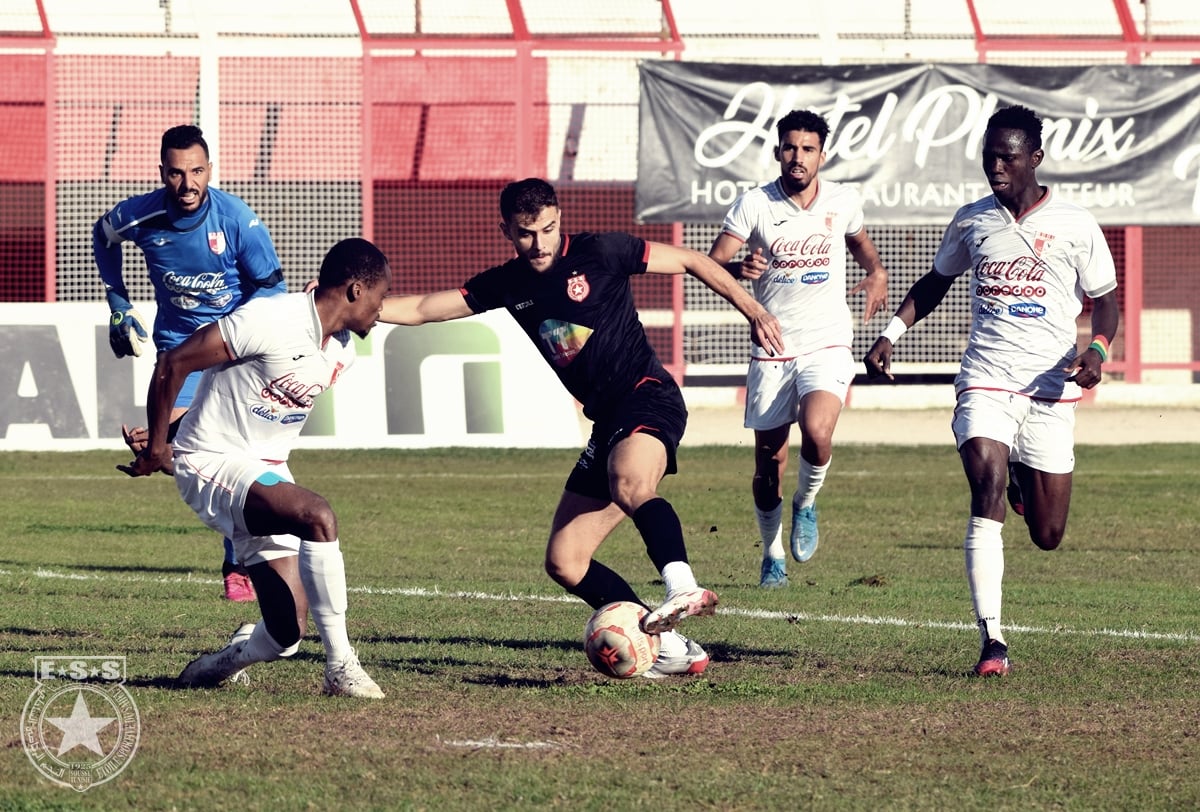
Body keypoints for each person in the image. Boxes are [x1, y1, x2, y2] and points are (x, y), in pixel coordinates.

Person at [380, 178, 783, 678]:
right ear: (506, 230)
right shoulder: (507, 283)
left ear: (560, 219)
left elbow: (690, 260)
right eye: (526, 233)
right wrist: (354, 306)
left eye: (548, 229)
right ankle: (669, 646)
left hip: (646, 395)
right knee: (566, 561)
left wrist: (754, 310)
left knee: (630, 483)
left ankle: (682, 585)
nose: (540, 243)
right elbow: (423, 309)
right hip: (607, 421)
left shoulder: (601, 251)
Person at [863, 105, 1120, 677]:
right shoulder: (972, 220)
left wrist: (1098, 350)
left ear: (1035, 158)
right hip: (985, 376)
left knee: (1048, 535)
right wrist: (890, 334)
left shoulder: (1075, 224)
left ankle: (1025, 485)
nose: (996, 166)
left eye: (1007, 156)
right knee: (988, 483)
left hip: (1050, 386)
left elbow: (1105, 300)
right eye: (989, 156)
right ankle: (993, 640)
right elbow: (936, 282)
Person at [118, 237, 391, 698]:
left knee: (286, 635)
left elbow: (237, 397)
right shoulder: (269, 319)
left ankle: (217, 665)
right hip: (211, 460)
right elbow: (174, 362)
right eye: (381, 297)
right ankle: (341, 666)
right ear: (355, 290)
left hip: (266, 474)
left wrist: (173, 428)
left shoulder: (341, 352)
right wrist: (159, 446)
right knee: (317, 516)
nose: (382, 309)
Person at [94, 123, 287, 603]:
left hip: (233, 352)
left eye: (197, 171)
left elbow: (273, 289)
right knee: (172, 458)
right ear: (162, 172)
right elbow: (103, 234)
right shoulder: (141, 215)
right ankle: (165, 447)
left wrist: (240, 335)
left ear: (210, 170)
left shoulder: (237, 220)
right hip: (178, 353)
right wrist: (118, 303)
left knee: (235, 455)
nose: (188, 184)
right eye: (177, 173)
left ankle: (237, 564)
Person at [708, 109, 888, 588]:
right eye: (790, 147)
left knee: (818, 430)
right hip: (773, 347)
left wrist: (876, 272)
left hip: (828, 341)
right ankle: (772, 556)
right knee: (769, 465)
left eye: (808, 149)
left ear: (822, 155)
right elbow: (712, 264)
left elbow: (861, 244)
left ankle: (806, 503)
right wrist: (739, 270)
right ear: (777, 152)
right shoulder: (755, 205)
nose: (798, 157)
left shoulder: (842, 201)